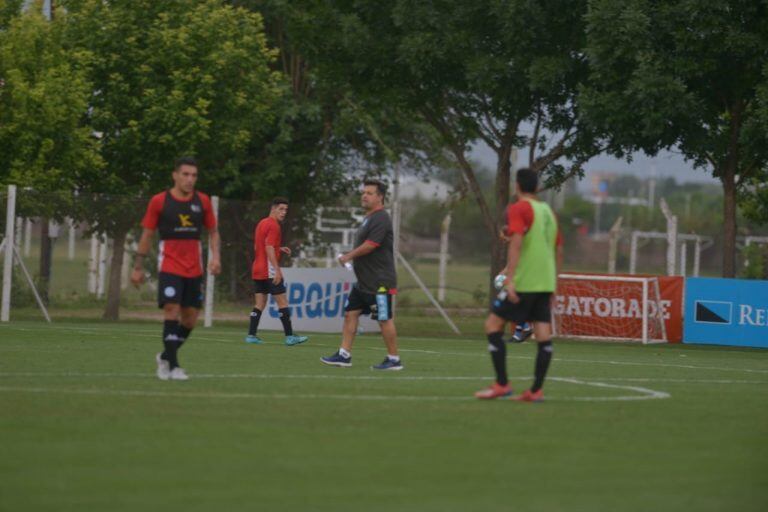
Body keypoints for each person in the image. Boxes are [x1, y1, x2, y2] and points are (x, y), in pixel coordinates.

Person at [476, 167, 563, 401]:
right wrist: (554, 284)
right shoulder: (548, 211)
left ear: (517, 186)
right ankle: (536, 390)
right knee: (543, 333)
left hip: (526, 281)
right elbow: (557, 248)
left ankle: (502, 384)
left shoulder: (519, 207)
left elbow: (515, 244)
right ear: (536, 186)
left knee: (493, 326)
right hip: (545, 282)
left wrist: (511, 279)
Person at [131, 156, 221, 381]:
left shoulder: (203, 201)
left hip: (194, 268)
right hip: (170, 265)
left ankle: (164, 355)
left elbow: (213, 231)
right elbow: (147, 234)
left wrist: (216, 257)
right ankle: (173, 366)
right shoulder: (159, 201)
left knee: (190, 319)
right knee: (171, 309)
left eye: (194, 175)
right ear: (175, 175)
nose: (190, 179)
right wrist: (138, 267)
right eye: (185, 174)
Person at [320, 179, 402, 370]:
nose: (364, 195)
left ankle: (394, 359)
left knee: (383, 318)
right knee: (350, 314)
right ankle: (344, 355)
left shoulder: (381, 217)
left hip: (379, 282)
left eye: (370, 193)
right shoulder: (368, 218)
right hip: (364, 282)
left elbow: (371, 245)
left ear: (380, 197)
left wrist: (348, 256)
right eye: (363, 192)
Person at [245, 197, 308, 346]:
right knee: (282, 302)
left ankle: (251, 335)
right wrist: (277, 270)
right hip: (269, 270)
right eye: (281, 209)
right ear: (273, 209)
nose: (284, 212)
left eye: (286, 209)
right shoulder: (274, 226)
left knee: (260, 303)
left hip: (257, 269)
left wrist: (278, 248)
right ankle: (290, 336)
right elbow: (268, 248)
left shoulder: (262, 223)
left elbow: (259, 246)